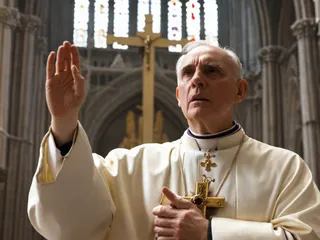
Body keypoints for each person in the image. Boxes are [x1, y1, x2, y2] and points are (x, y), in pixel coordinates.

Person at [27, 40, 320, 240]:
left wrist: (209, 232)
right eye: (188, 73)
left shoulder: (284, 168)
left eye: (212, 71)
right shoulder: (129, 166)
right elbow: (71, 224)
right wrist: (64, 121)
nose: (198, 79)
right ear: (180, 96)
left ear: (240, 91)